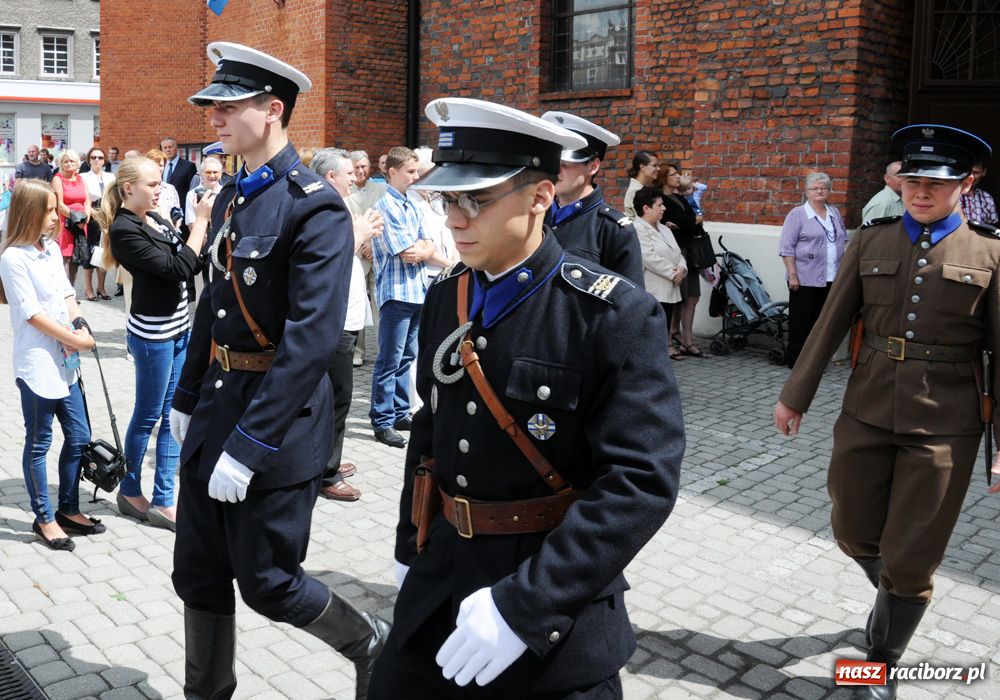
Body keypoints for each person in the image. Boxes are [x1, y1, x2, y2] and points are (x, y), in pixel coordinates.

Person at [368, 97, 683, 700]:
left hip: (548, 606)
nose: (455, 220)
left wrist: (524, 605)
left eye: (475, 200)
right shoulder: (448, 297)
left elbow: (641, 480)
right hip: (441, 579)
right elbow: (430, 432)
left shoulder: (609, 313)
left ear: (540, 197)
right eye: (447, 200)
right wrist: (412, 544)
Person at [167, 42, 388, 700]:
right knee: (198, 573)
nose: (213, 116)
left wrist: (251, 445)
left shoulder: (313, 206)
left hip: (277, 423)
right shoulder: (237, 192)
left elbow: (311, 339)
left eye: (227, 105)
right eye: (212, 105)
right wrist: (184, 396)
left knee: (270, 583)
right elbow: (215, 298)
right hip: (215, 408)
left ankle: (368, 639)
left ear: (272, 110)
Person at [774, 124, 1000, 700]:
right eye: (912, 180)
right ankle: (893, 591)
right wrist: (794, 394)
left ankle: (881, 661)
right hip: (867, 409)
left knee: (913, 553)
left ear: (968, 183)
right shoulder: (870, 241)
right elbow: (829, 324)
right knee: (852, 528)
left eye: (935, 183)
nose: (920, 192)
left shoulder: (990, 252)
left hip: (946, 425)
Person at [103, 157, 211, 532]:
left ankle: (164, 499)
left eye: (160, 183)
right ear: (128, 188)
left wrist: (196, 236)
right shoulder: (123, 229)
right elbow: (178, 267)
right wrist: (199, 223)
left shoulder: (159, 218)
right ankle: (130, 492)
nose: (159, 189)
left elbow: (192, 264)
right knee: (149, 415)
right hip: (153, 335)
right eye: (152, 184)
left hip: (180, 326)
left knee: (173, 414)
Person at [0, 179, 103, 552]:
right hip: (39, 364)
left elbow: (66, 293)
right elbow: (31, 314)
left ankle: (69, 510)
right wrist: (76, 340)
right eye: (47, 209)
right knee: (39, 442)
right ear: (28, 212)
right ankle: (43, 517)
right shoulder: (13, 257)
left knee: (79, 436)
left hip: (67, 361)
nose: (55, 216)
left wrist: (79, 324)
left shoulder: (47, 249)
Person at [309, 147, 383, 501]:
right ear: (330, 178)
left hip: (347, 313)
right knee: (338, 396)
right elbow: (325, 262)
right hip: (333, 319)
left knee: (336, 396)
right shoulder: (322, 210)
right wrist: (361, 234)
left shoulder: (338, 206)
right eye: (347, 173)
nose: (354, 177)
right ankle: (326, 472)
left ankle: (327, 458)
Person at [370, 146, 434, 448]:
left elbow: (429, 242)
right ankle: (381, 420)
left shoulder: (411, 204)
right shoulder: (386, 207)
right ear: (392, 172)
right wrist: (425, 249)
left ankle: (398, 411)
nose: (416, 176)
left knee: (407, 357)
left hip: (416, 291)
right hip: (396, 293)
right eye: (410, 171)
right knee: (389, 359)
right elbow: (407, 251)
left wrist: (425, 248)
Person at [540, 111, 644, 286]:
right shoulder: (537, 214)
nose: (556, 170)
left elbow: (630, 302)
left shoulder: (612, 228)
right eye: (553, 162)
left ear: (593, 166)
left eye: (565, 164)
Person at [778, 172, 848, 369]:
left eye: (823, 188)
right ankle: (798, 362)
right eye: (814, 188)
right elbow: (786, 247)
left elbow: (842, 240)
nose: (819, 191)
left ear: (828, 191)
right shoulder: (798, 214)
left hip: (831, 277)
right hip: (803, 278)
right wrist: (793, 275)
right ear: (807, 191)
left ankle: (815, 363)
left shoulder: (834, 212)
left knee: (822, 323)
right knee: (802, 323)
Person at [656, 162, 705, 357]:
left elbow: (693, 221)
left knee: (692, 296)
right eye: (674, 174)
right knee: (674, 297)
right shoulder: (660, 200)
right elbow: (689, 221)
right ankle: (667, 342)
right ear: (664, 179)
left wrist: (691, 222)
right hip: (673, 252)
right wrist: (690, 222)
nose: (678, 177)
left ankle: (687, 341)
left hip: (690, 251)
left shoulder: (678, 198)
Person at [633, 185, 687, 360]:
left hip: (669, 289)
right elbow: (648, 257)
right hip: (653, 291)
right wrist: (673, 274)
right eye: (660, 205)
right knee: (650, 334)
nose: (664, 208)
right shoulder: (637, 228)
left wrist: (682, 269)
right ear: (646, 208)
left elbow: (678, 253)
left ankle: (657, 364)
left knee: (663, 331)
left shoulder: (664, 228)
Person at [80, 147, 116, 301]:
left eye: (100, 157)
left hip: (107, 215)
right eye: (94, 157)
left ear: (104, 160)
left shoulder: (110, 176)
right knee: (90, 252)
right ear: (89, 160)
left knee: (104, 251)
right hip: (91, 216)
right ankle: (88, 289)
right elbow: (82, 199)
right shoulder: (82, 177)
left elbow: (114, 197)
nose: (97, 160)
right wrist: (94, 214)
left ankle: (101, 287)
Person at [51, 150, 91, 287]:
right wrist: (77, 219)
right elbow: (59, 204)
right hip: (65, 222)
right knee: (65, 258)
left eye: (71, 161)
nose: (69, 164)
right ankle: (64, 292)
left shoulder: (81, 179)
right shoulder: (58, 179)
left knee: (76, 258)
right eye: (65, 161)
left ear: (77, 163)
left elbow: (87, 201)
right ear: (61, 164)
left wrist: (86, 219)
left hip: (81, 223)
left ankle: (71, 292)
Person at [160, 137, 198, 211]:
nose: (168, 150)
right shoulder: (161, 166)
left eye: (170, 147)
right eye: (165, 148)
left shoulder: (188, 166)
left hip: (182, 209)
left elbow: (193, 190)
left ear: (176, 148)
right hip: (163, 209)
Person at [622, 150, 658, 219]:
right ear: (642, 167)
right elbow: (642, 222)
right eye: (654, 165)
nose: (658, 168)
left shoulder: (641, 187)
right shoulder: (636, 191)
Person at [960, 160, 998, 226]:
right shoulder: (951, 194)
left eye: (975, 172)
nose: (971, 176)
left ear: (984, 172)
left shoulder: (987, 198)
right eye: (968, 171)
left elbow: (992, 228)